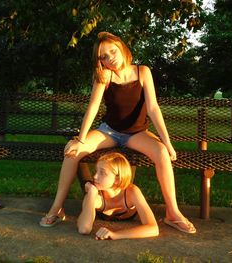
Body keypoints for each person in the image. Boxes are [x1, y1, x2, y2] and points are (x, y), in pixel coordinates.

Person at [39, 31, 196, 234]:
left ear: (122, 48)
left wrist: (167, 142)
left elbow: (153, 109)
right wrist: (80, 139)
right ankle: (57, 208)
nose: (110, 57)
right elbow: (93, 107)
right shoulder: (104, 76)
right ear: (100, 61)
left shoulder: (143, 72)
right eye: (103, 56)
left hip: (137, 133)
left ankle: (173, 214)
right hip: (110, 132)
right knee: (72, 151)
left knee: (162, 153)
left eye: (112, 51)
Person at [77, 152, 158, 240]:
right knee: (85, 181)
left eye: (102, 173)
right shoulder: (96, 196)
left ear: (117, 179)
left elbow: (153, 228)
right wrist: (91, 193)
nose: (95, 176)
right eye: (96, 171)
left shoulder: (132, 192)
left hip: (123, 189)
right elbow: (84, 229)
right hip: (98, 193)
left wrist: (116, 235)